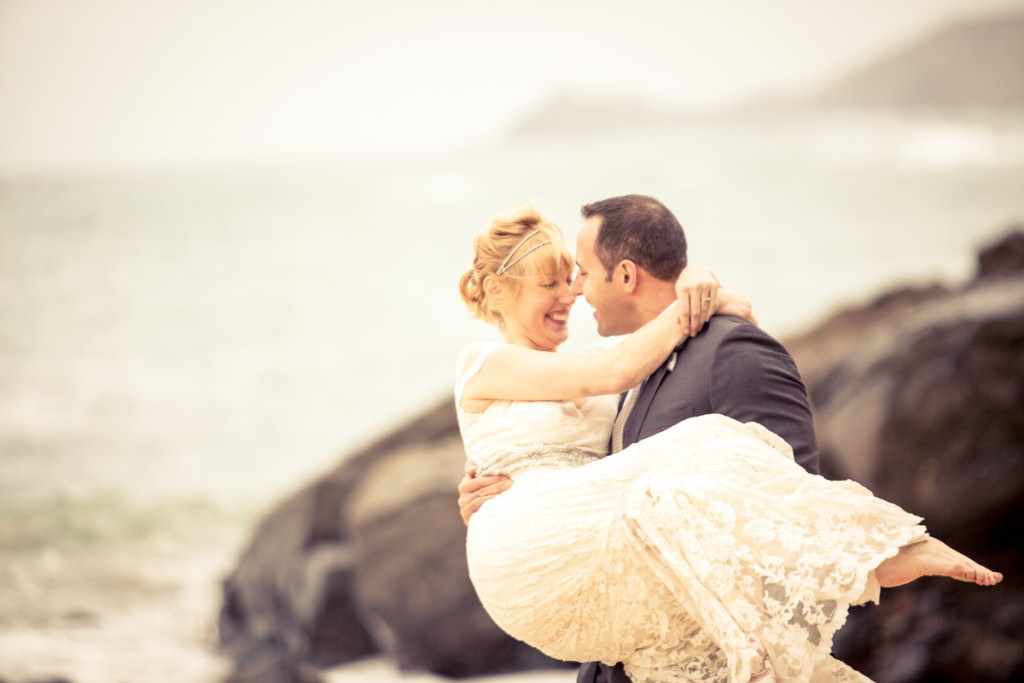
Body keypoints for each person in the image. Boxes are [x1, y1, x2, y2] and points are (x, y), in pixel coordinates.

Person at [453, 199, 1002, 683]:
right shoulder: (488, 363)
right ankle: (882, 552)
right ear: (497, 290)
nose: (571, 294)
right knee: (707, 444)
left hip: (611, 600)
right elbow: (615, 369)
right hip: (523, 542)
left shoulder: (652, 370)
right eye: (551, 283)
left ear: (624, 274)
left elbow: (783, 478)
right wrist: (696, 296)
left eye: (573, 278)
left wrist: (702, 285)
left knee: (719, 454)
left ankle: (881, 554)